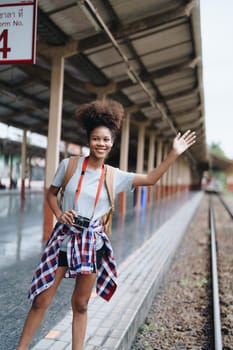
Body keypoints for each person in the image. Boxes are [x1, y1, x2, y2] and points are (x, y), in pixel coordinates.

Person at [16, 99, 196, 350]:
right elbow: (51, 193)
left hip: (91, 242)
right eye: (96, 139)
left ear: (112, 144)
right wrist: (58, 212)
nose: (101, 143)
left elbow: (152, 179)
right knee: (41, 300)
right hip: (64, 239)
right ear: (89, 140)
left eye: (106, 140)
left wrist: (173, 153)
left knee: (80, 304)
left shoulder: (115, 176)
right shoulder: (69, 165)